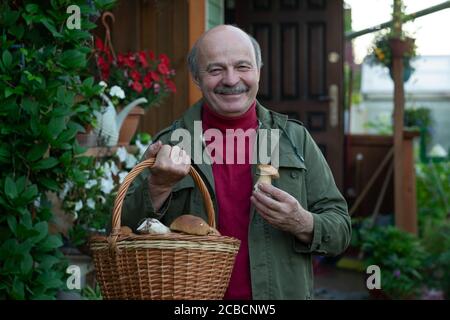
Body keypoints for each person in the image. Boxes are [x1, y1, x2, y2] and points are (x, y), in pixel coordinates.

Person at [120, 25, 351, 300]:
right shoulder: (171, 144)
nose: (231, 80)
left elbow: (340, 230)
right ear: (196, 77)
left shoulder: (294, 139)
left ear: (258, 71)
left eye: (243, 66)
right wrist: (157, 188)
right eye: (215, 70)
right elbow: (122, 232)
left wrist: (302, 222)